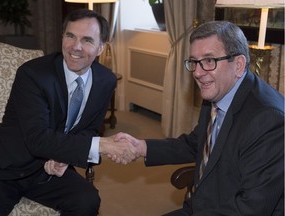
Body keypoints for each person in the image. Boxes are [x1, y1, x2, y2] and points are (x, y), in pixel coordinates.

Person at [114, 21, 284, 215]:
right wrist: (141, 147)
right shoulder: (218, 91)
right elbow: (196, 144)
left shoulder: (269, 121)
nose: (197, 72)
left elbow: (251, 209)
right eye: (194, 62)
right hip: (203, 204)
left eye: (209, 61)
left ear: (238, 65)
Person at [0, 9, 137, 216]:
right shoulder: (33, 74)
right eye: (70, 36)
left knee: (87, 201)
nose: (76, 47)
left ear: (101, 48)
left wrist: (64, 158)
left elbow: (89, 129)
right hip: (8, 167)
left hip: (52, 168)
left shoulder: (105, 81)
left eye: (87, 40)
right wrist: (103, 145)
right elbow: (36, 138)